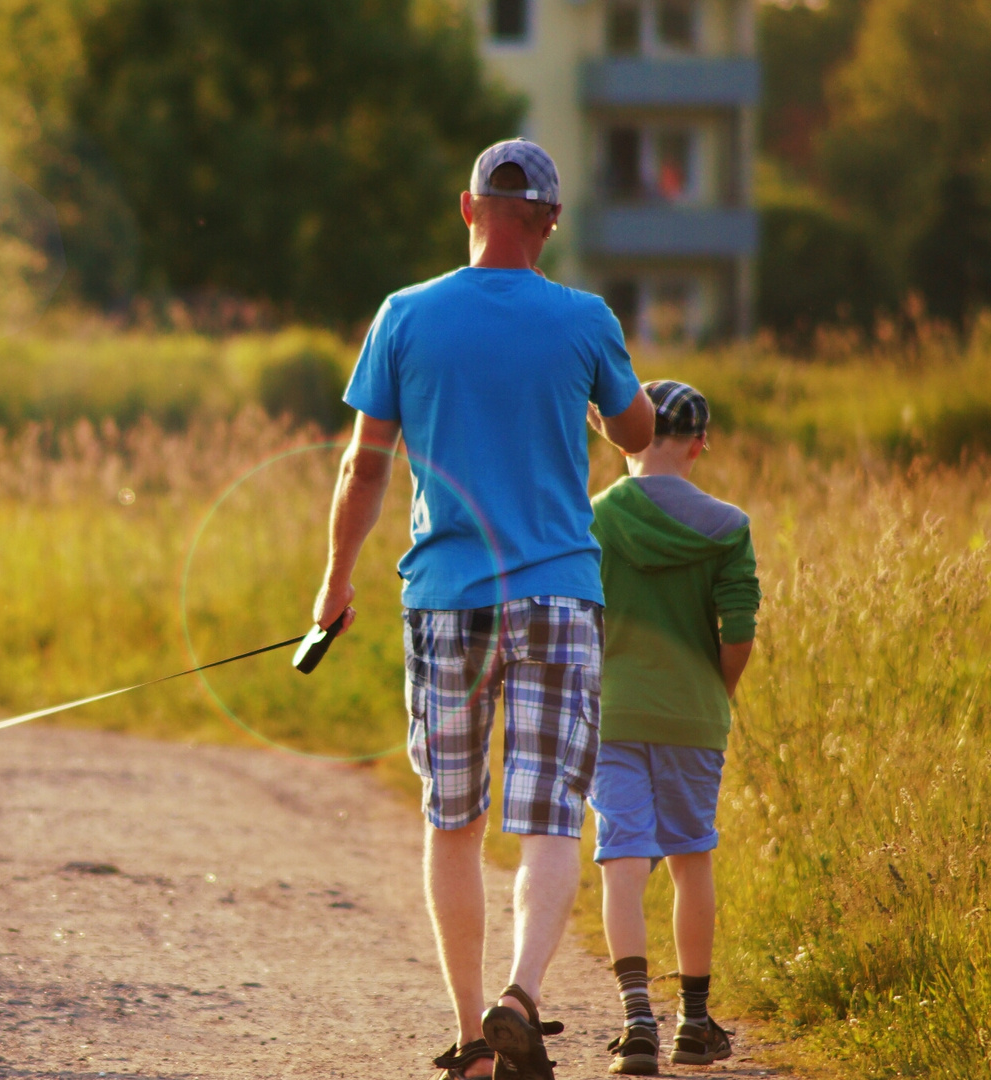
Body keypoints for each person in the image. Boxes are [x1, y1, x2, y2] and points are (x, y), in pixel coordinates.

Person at [311, 137, 655, 1080]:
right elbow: (638, 435)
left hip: (446, 599)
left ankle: (470, 1038)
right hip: (556, 593)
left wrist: (335, 582)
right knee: (548, 815)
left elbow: (363, 463)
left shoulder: (404, 315)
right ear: (549, 223)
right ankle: (521, 997)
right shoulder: (584, 319)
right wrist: (600, 403)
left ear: (467, 210)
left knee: (451, 820)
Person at [586, 380, 761, 1075]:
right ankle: (693, 1021)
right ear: (698, 444)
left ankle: (635, 1022)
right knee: (691, 858)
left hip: (613, 710)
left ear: (625, 435)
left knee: (621, 858)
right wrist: (712, 694)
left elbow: (579, 613)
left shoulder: (592, 518)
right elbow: (739, 631)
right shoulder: (728, 525)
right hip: (692, 714)